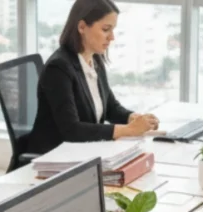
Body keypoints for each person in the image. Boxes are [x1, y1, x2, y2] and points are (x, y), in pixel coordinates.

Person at [27, 0, 160, 156]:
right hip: (55, 157)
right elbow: (72, 130)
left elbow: (110, 107)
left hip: (85, 151)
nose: (112, 37)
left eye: (113, 30)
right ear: (82, 27)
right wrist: (128, 130)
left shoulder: (94, 59)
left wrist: (133, 118)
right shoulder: (58, 68)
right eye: (105, 29)